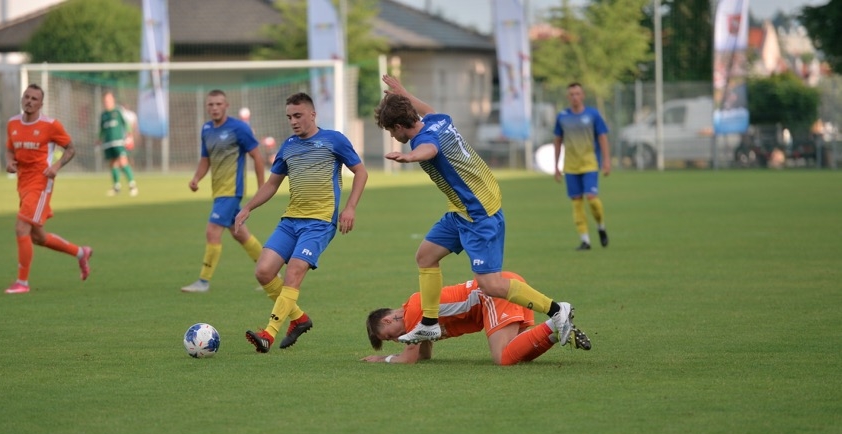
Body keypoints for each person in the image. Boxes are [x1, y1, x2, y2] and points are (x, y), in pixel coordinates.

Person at [374, 74, 576, 347]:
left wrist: (410, 156)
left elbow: (430, 150)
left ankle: (556, 309)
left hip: (479, 213)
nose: (392, 136)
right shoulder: (438, 120)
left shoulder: (423, 141)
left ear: (399, 126)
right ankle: (430, 324)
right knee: (425, 256)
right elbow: (429, 112)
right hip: (461, 210)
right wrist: (404, 93)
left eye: (391, 131)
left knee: (490, 285)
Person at [234, 92, 367, 353]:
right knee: (263, 272)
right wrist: (248, 207)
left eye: (298, 115)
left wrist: (350, 208)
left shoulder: (333, 140)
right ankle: (299, 319)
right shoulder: (289, 146)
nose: (293, 121)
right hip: (290, 221)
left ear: (312, 114)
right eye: (289, 117)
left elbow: (360, 172)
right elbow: (272, 184)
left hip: (319, 223)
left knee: (294, 271)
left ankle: (268, 334)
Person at [363, 272, 591, 365]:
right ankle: (554, 333)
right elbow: (424, 355)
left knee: (502, 357)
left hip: (493, 294)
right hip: (507, 284)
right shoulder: (418, 317)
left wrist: (383, 359)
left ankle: (557, 317)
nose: (396, 340)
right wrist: (413, 343)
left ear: (388, 320)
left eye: (390, 336)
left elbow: (409, 360)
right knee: (519, 355)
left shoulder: (413, 310)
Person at [4, 83, 91, 294]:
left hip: (41, 183)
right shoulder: (12, 123)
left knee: (21, 227)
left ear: (41, 104)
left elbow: (70, 148)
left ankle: (22, 283)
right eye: (27, 97)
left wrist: (56, 166)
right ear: (22, 99)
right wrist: (9, 162)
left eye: (34, 98)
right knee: (37, 237)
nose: (29, 101)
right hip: (23, 184)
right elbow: (9, 150)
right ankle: (80, 253)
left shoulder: (51, 125)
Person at [183, 90, 266, 293]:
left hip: (231, 191)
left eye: (218, 104)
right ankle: (271, 272)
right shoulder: (207, 129)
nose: (214, 108)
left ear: (226, 105)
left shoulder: (238, 128)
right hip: (218, 191)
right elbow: (205, 159)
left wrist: (262, 186)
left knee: (212, 232)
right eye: (210, 104)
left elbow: (257, 156)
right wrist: (196, 178)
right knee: (241, 234)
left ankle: (203, 281)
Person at [553, 82, 611, 250]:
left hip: (589, 164)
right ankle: (585, 240)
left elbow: (603, 138)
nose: (575, 97)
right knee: (577, 203)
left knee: (592, 199)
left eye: (577, 94)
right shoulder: (562, 117)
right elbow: (557, 141)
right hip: (570, 166)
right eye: (571, 94)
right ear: (567, 97)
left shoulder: (593, 115)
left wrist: (606, 161)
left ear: (583, 95)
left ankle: (600, 226)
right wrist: (556, 166)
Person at [99, 91, 138, 197]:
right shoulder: (103, 115)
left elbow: (126, 124)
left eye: (108, 100)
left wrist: (129, 134)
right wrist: (99, 138)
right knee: (113, 164)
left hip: (119, 142)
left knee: (123, 162)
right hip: (108, 143)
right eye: (105, 101)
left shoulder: (118, 111)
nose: (107, 102)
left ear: (113, 100)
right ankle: (116, 187)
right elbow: (101, 129)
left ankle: (132, 185)